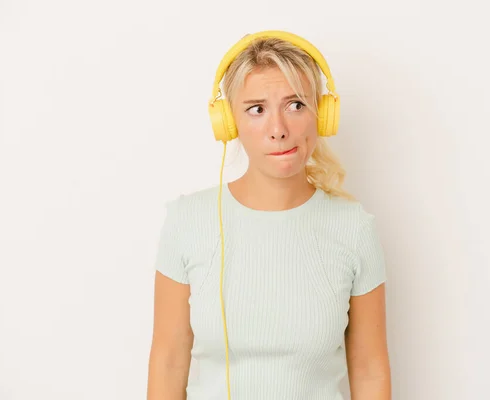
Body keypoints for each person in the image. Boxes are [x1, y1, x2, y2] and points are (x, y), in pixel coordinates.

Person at [147, 31, 391, 400]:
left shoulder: (353, 228)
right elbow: (167, 363)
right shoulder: (188, 222)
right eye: (257, 109)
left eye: (295, 105)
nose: (278, 130)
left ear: (322, 115)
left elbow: (370, 369)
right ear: (229, 124)